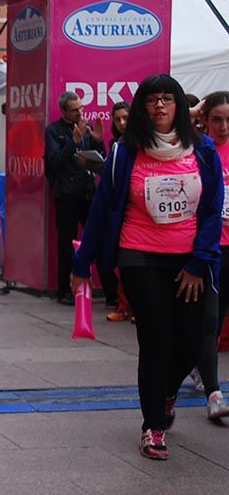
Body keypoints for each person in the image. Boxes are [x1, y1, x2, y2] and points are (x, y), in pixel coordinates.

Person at [72, 74, 223, 460]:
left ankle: (167, 392)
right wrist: (82, 263)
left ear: (179, 106)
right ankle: (153, 426)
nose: (159, 106)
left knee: (191, 342)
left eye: (167, 99)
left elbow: (211, 212)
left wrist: (198, 262)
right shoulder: (125, 153)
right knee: (156, 339)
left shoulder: (203, 150)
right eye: (152, 99)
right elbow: (102, 209)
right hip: (138, 255)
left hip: (190, 259)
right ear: (142, 106)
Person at [45, 92, 106, 305]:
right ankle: (65, 290)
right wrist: (73, 142)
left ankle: (107, 289)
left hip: (88, 192)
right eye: (74, 110)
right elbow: (54, 162)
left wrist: (98, 142)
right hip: (67, 195)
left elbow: (100, 161)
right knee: (66, 243)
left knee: (98, 239)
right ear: (63, 111)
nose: (80, 113)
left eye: (81, 108)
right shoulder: (53, 131)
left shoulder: (85, 128)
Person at [194, 91, 229, 422]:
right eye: (217, 119)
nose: (224, 126)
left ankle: (201, 365)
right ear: (204, 120)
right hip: (209, 246)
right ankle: (213, 389)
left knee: (221, 315)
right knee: (209, 318)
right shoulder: (200, 149)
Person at [105, 102, 136, 323]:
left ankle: (132, 307)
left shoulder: (138, 143)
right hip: (122, 213)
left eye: (125, 118)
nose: (122, 123)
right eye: (117, 120)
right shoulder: (116, 145)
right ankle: (124, 305)